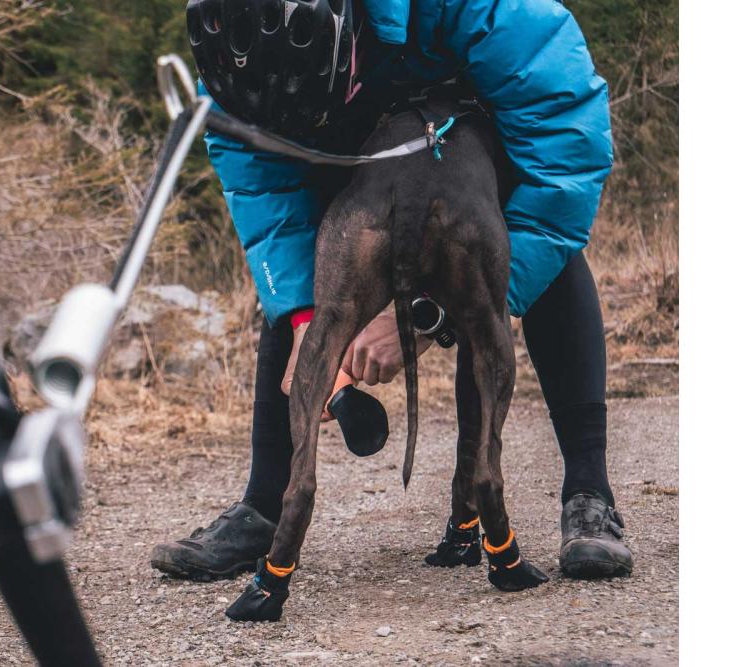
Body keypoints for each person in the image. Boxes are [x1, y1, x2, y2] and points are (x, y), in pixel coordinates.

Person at [152, 0, 632, 582]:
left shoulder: (489, 10)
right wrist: (309, 320)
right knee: (303, 275)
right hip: (356, 132)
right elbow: (274, 210)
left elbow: (561, 176)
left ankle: (588, 493)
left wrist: (430, 320)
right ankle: (263, 507)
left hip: (480, 137)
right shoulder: (238, 50)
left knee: (543, 248)